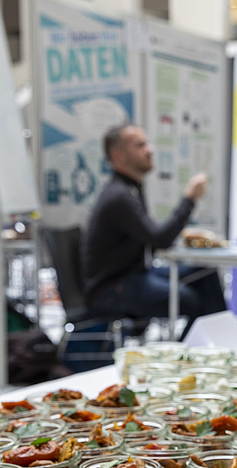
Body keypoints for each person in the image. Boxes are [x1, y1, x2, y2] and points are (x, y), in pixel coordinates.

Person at [82, 124, 225, 336]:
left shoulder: (129, 189)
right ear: (118, 156)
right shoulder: (119, 196)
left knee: (204, 272)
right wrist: (189, 199)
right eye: (140, 145)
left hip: (135, 275)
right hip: (112, 289)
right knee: (190, 299)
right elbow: (160, 239)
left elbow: (155, 237)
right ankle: (187, 355)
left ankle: (220, 341)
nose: (150, 149)